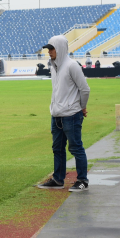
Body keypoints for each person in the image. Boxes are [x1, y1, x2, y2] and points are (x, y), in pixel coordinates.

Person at [37, 35, 90, 192]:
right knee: (57, 148)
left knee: (75, 147)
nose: (49, 52)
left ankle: (82, 180)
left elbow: (85, 89)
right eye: (48, 49)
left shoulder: (72, 66)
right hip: (57, 115)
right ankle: (58, 179)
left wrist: (82, 106)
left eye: (52, 49)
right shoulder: (54, 67)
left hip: (71, 115)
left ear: (59, 48)